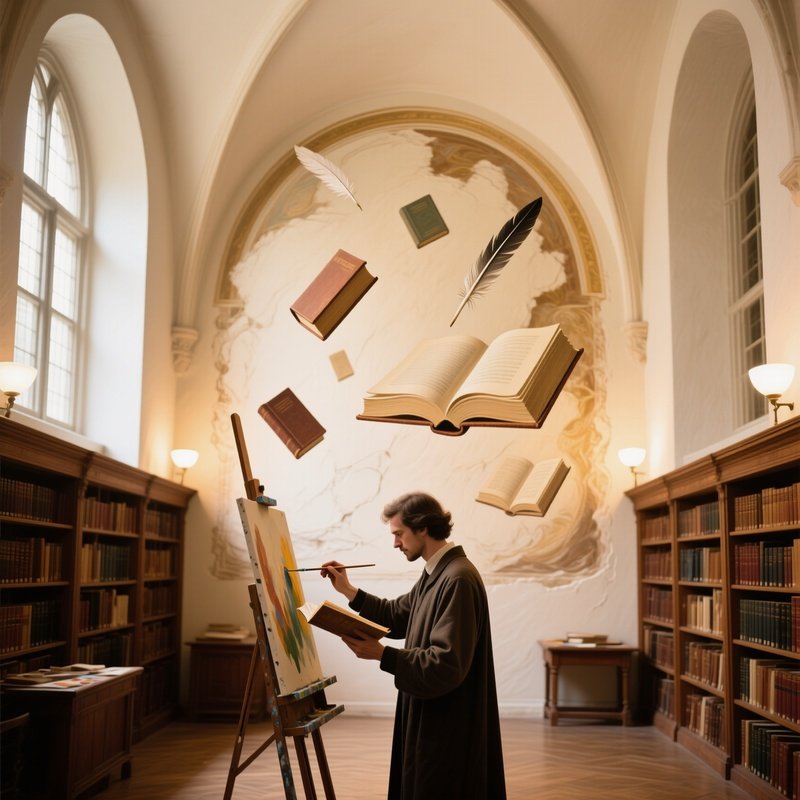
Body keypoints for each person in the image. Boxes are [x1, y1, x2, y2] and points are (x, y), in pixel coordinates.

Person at [321, 491, 506, 800]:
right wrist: (349, 591)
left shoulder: (457, 578)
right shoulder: (438, 572)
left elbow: (446, 664)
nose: (395, 543)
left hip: (446, 721)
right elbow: (398, 615)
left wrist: (382, 654)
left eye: (399, 534)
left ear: (422, 528)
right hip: (433, 712)